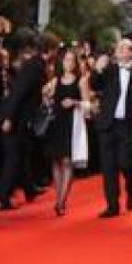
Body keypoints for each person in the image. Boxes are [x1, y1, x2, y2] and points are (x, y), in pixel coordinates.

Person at [0, 30, 57, 210]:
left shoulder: (36, 64)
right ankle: (3, 197)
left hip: (20, 118)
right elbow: (19, 92)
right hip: (15, 118)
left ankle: (29, 189)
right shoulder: (35, 66)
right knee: (13, 158)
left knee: (23, 154)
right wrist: (9, 118)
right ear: (50, 49)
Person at [90, 38, 132, 218]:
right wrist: (97, 69)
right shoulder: (108, 70)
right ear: (116, 52)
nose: (123, 50)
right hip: (107, 124)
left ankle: (131, 189)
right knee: (108, 168)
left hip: (128, 126)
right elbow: (94, 85)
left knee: (126, 163)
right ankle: (112, 205)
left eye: (127, 48)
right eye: (120, 47)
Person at [43, 48, 91, 216]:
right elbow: (44, 94)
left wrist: (75, 103)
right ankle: (58, 197)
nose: (68, 63)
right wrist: (46, 95)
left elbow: (88, 105)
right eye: (66, 60)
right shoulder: (56, 80)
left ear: (76, 63)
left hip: (72, 124)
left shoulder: (81, 81)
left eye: (71, 60)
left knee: (67, 161)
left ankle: (61, 201)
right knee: (56, 161)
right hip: (56, 123)